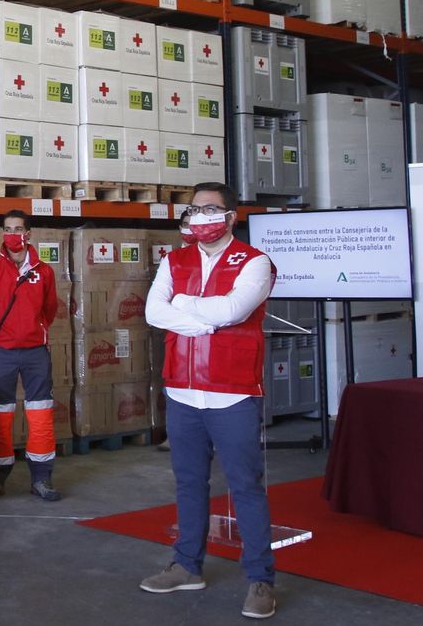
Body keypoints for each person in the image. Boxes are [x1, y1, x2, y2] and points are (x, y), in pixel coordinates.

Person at [139, 182, 279, 620]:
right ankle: (186, 565)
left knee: (246, 487)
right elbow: (152, 312)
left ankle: (260, 579)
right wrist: (201, 320)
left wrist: (183, 305)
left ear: (231, 216)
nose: (201, 217)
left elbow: (234, 311)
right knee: (188, 482)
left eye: (211, 209)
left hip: (232, 392)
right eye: (195, 210)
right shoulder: (175, 259)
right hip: (181, 390)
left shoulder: (255, 262)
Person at [0, 210, 63, 502]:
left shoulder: (44, 272)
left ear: (29, 234)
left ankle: (41, 477)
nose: (13, 234)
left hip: (36, 353)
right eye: (8, 228)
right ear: (2, 234)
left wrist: (36, 333)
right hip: (1, 353)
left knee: (41, 413)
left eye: (18, 228)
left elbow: (50, 310)